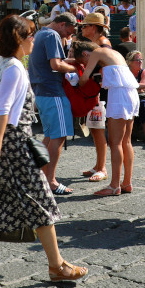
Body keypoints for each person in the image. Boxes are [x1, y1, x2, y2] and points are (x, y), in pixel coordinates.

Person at [0, 16, 88, 286]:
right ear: (19, 40)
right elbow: (3, 111)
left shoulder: (2, 64)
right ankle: (56, 266)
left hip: (3, 140)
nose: (34, 38)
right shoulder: (14, 69)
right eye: (30, 34)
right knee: (41, 200)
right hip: (13, 143)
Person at [77, 37, 138, 195]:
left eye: (84, 60)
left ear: (86, 53)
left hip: (119, 93)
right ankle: (127, 183)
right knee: (127, 141)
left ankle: (114, 185)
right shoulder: (112, 53)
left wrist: (76, 77)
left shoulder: (96, 52)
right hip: (131, 92)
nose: (87, 63)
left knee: (115, 142)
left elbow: (84, 79)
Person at [27, 12, 80, 194]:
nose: (69, 36)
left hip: (42, 93)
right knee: (58, 137)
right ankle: (51, 182)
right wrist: (75, 69)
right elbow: (56, 65)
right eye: (68, 32)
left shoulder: (42, 33)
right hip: (53, 92)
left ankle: (38, 177)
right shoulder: (52, 35)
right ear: (62, 24)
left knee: (49, 137)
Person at [76, 12, 112, 182]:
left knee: (98, 130)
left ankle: (102, 167)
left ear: (95, 28)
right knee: (95, 129)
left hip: (101, 93)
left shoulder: (102, 46)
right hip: (98, 92)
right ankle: (98, 165)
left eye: (86, 25)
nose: (82, 28)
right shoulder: (98, 44)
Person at [127, 50, 145, 144]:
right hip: (127, 96)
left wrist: (133, 86)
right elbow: (143, 86)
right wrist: (142, 86)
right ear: (130, 62)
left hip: (140, 97)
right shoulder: (126, 71)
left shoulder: (143, 72)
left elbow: (144, 84)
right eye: (137, 60)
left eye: (141, 59)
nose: (140, 62)